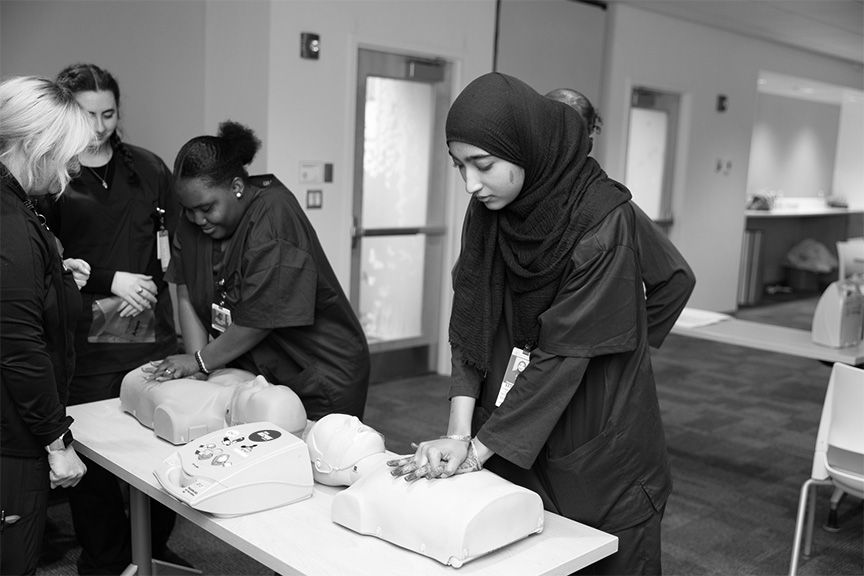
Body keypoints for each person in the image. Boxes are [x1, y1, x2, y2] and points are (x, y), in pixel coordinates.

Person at [389, 72, 695, 575]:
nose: (470, 183)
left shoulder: (601, 221)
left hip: (593, 440)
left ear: (526, 148)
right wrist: (459, 431)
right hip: (512, 426)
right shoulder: (488, 210)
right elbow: (471, 322)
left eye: (483, 165)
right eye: (459, 166)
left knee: (603, 557)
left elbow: (562, 357)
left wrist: (473, 451)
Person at [40, 63, 185, 574]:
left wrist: (148, 286)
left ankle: (155, 550)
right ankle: (105, 559)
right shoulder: (50, 175)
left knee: (161, 440)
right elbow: (45, 258)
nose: (99, 126)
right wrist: (110, 280)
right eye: (87, 114)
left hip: (148, 326)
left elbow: (174, 245)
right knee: (96, 454)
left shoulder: (147, 167)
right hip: (86, 335)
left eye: (108, 113)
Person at [151, 121, 371, 422]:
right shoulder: (192, 221)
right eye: (188, 209)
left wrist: (200, 361)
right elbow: (186, 289)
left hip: (319, 375)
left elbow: (258, 319)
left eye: (206, 208)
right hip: (255, 373)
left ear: (237, 188)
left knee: (317, 457)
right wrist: (199, 371)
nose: (197, 219)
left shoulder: (274, 217)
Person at [0, 75, 92, 576]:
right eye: (68, 153)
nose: (73, 169)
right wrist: (58, 444)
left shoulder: (15, 209)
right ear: (36, 146)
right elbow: (18, 348)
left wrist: (56, 278)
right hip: (12, 440)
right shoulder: (11, 224)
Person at [545, 88, 695, 348]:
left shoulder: (612, 209)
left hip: (574, 360)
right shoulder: (509, 199)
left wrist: (626, 345)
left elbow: (677, 280)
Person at [119, 364, 307, 442]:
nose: (260, 379)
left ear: (235, 422)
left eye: (257, 391)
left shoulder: (186, 409)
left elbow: (137, 381)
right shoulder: (243, 379)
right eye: (271, 386)